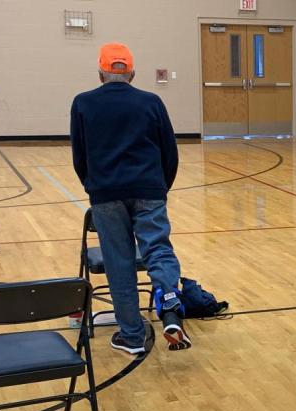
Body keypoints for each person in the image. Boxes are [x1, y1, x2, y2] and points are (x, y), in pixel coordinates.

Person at [70, 42, 191, 354]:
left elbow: (80, 156)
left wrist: (94, 187)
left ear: (100, 73)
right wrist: (160, 187)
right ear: (133, 73)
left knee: (119, 262)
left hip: (106, 194)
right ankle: (170, 309)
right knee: (159, 252)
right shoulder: (152, 102)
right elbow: (170, 151)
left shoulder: (83, 103)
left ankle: (132, 336)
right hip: (149, 189)